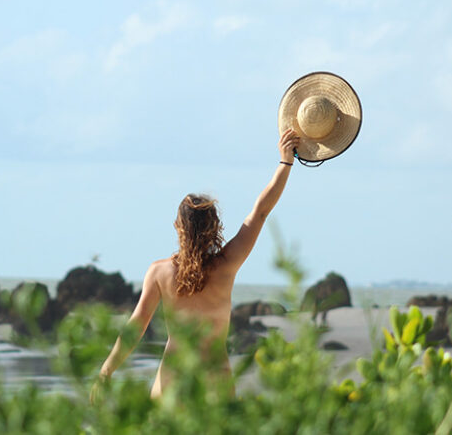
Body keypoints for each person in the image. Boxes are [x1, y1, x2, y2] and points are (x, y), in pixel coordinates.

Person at [93, 129, 300, 400]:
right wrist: (285, 163)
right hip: (216, 384)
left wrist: (106, 372)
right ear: (214, 228)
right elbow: (260, 212)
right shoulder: (226, 264)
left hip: (171, 384)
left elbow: (137, 326)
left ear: (178, 227)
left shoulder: (159, 272)